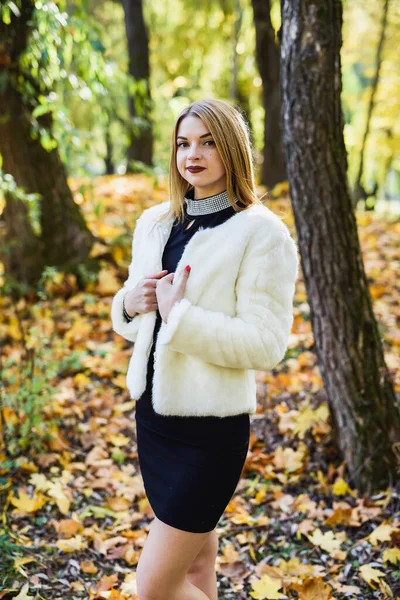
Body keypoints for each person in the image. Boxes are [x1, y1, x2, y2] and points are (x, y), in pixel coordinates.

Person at [111, 98, 299, 600]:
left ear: (232, 149)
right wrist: (131, 304)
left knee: (155, 585)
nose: (192, 154)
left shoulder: (262, 234)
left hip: (209, 433)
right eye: (183, 143)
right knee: (195, 572)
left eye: (208, 141)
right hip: (153, 420)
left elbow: (266, 343)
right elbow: (136, 325)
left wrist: (181, 317)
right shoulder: (155, 223)